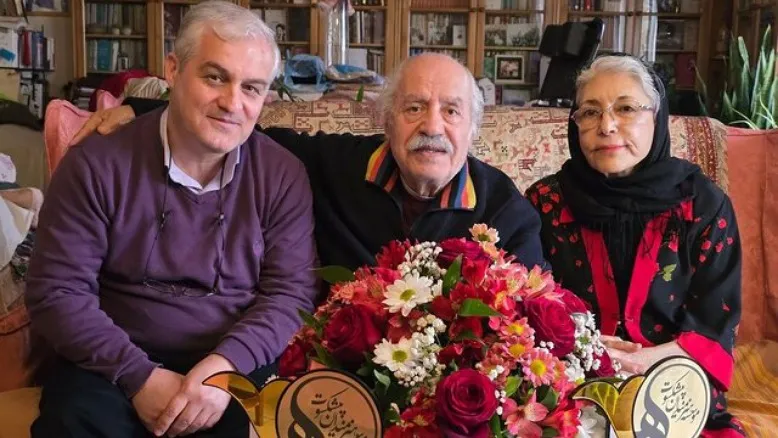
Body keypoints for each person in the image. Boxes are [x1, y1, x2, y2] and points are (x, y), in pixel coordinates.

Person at [25, 2, 319, 437]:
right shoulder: (96, 163)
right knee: (71, 422)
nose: (232, 103)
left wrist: (225, 369)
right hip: (109, 361)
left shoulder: (283, 174)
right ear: (173, 70)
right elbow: (57, 290)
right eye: (214, 77)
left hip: (233, 364)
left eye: (251, 88)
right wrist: (138, 376)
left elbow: (290, 294)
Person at [72, 52, 547, 273]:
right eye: (414, 107)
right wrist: (145, 109)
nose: (432, 126)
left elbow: (531, 314)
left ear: (473, 129)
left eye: (452, 112)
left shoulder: (506, 212)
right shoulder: (337, 164)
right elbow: (243, 130)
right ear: (386, 120)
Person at [525, 55, 744, 436]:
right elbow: (529, 310)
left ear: (656, 117)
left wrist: (641, 363)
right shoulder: (545, 203)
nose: (606, 126)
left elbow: (714, 324)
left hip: (673, 383)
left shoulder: (703, 206)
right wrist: (588, 354)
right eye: (589, 112)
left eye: (625, 108)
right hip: (571, 384)